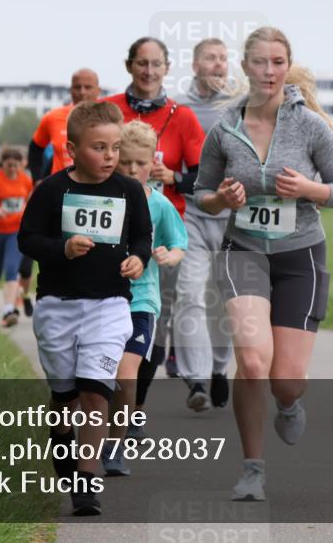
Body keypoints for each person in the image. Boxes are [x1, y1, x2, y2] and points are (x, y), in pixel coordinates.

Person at [194, 27, 333, 501]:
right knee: (251, 361)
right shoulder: (225, 128)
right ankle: (252, 470)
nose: (269, 72)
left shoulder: (310, 127)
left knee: (286, 380)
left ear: (288, 66)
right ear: (245, 66)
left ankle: (288, 404)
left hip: (300, 254)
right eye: (260, 62)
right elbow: (201, 193)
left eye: (278, 62)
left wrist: (310, 190)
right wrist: (221, 199)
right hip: (243, 251)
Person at [18, 100, 152, 516]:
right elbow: (27, 240)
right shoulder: (52, 190)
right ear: (73, 150)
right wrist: (62, 249)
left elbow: (142, 237)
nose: (110, 157)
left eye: (115, 148)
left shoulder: (129, 191)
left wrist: (138, 259)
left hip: (109, 306)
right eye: (99, 148)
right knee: (65, 398)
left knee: (96, 392)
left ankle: (86, 480)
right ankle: (64, 449)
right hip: (57, 306)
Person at [103, 37, 206, 421]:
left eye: (156, 64)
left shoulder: (183, 116)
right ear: (129, 65)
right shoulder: (108, 110)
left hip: (161, 228)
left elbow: (202, 178)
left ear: (166, 68)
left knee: (152, 329)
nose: (149, 71)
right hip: (109, 228)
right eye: (142, 63)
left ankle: (135, 407)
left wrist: (173, 176)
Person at [102, 121, 187, 477]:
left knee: (126, 376)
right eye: (125, 162)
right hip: (100, 300)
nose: (133, 169)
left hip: (141, 302)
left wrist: (169, 255)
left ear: (153, 163)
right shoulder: (100, 198)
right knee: (97, 378)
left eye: (140, 163)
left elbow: (179, 244)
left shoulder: (161, 205)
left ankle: (114, 446)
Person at [173, 37, 237, 412]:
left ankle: (218, 368)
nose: (219, 64)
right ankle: (196, 378)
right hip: (193, 215)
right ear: (195, 66)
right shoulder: (179, 108)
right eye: (211, 58)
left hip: (234, 219)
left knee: (226, 301)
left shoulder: (241, 106)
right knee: (190, 294)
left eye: (223, 58)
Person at [22, 68, 103, 316]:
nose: (82, 92)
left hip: (96, 198)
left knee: (93, 256)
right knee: (56, 253)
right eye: (77, 87)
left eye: (88, 87)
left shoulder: (108, 119)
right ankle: (53, 307)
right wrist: (37, 180)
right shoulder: (53, 117)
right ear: (70, 90)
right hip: (59, 196)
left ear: (98, 90)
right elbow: (35, 147)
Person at [0, 147, 33, 327]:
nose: (12, 169)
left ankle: (8, 310)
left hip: (15, 232)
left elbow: (30, 202)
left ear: (20, 165)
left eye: (15, 165)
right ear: (2, 164)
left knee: (11, 269)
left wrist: (27, 210)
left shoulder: (25, 180)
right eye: (9, 165)